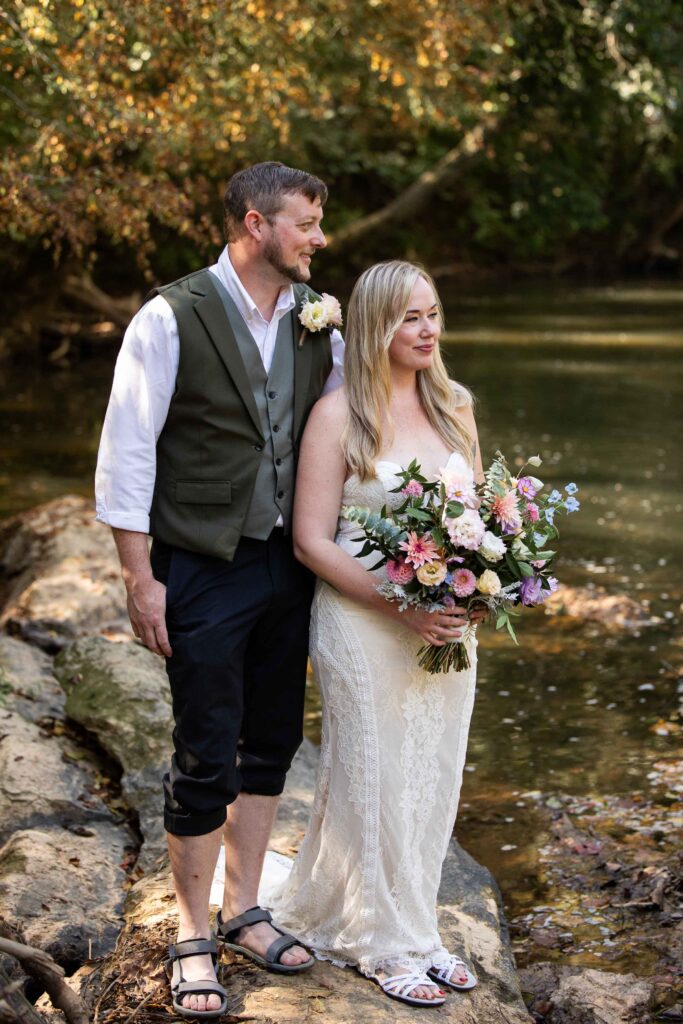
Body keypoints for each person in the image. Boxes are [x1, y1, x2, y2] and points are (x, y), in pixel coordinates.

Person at [95, 162, 344, 1019]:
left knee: (270, 738)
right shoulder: (170, 317)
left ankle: (245, 911)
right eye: (305, 224)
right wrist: (139, 577)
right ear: (254, 223)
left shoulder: (321, 323)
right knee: (207, 743)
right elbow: (128, 450)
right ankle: (192, 933)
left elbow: (353, 421)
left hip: (289, 562)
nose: (319, 239)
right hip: (199, 561)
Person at [269, 260, 486, 1008]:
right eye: (407, 318)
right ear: (373, 327)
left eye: (431, 313)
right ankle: (375, 939)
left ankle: (420, 929)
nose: (425, 330)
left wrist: (483, 589)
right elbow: (310, 542)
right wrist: (402, 605)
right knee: (374, 776)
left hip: (444, 628)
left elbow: (479, 528)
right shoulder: (339, 416)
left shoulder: (455, 404)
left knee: (431, 775)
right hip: (362, 623)